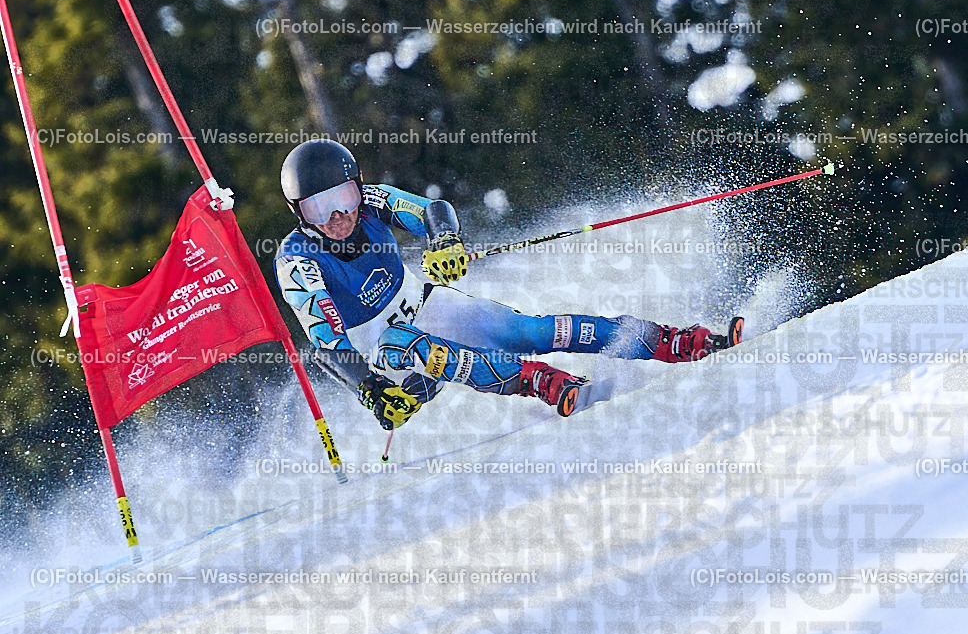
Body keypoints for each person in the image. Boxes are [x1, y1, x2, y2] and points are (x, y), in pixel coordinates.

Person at [274, 139, 739, 431]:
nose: (338, 215)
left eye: (344, 197)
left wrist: (445, 240)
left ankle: (671, 341)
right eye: (318, 208)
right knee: (406, 343)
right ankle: (535, 381)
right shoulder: (297, 259)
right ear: (299, 213)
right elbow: (326, 343)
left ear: (357, 187)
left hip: (423, 305)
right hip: (384, 361)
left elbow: (431, 211)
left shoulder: (372, 203)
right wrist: (370, 388)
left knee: (527, 331)